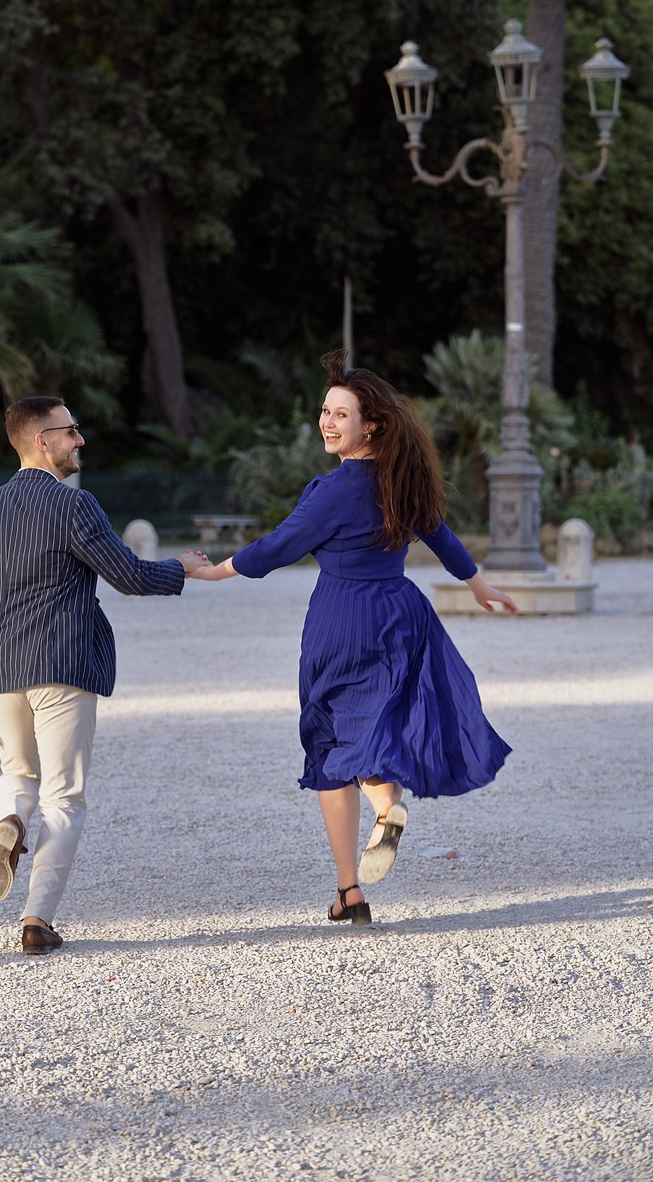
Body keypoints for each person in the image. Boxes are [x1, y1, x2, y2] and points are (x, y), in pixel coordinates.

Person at [189, 350, 516, 926]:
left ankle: (374, 836)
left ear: (371, 426)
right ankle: (354, 883)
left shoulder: (334, 492)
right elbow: (440, 535)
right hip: (401, 611)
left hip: (344, 619)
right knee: (374, 724)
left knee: (332, 739)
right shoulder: (402, 478)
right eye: (325, 410)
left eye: (341, 413)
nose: (327, 421)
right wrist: (479, 584)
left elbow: (279, 546)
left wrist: (216, 571)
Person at [0, 396, 207, 955]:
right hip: (64, 664)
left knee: (18, 774)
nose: (80, 440)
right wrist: (183, 567)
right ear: (41, 441)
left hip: (0, 671)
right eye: (70, 431)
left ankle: (10, 818)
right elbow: (128, 576)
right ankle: (36, 921)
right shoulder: (75, 507)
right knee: (65, 797)